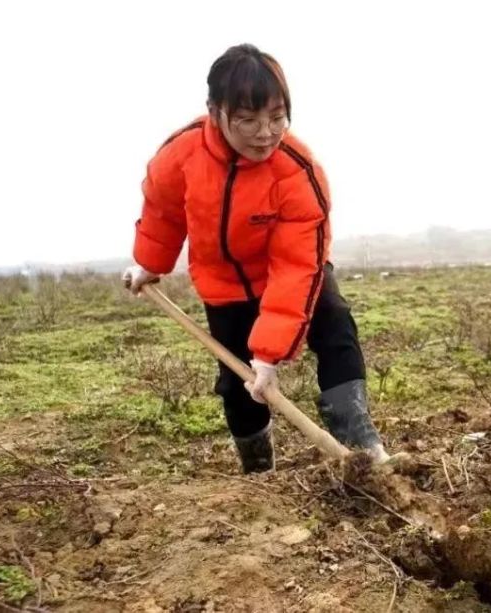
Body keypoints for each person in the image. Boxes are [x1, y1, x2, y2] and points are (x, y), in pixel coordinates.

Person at [123, 43, 392, 472]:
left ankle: (361, 446)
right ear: (215, 111)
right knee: (237, 384)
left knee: (336, 326)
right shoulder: (182, 155)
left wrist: (269, 352)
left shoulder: (297, 172)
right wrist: (150, 263)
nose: (265, 133)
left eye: (276, 117)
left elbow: (296, 266)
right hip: (223, 284)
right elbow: (163, 211)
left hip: (292, 274)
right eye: (247, 120)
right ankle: (258, 468)